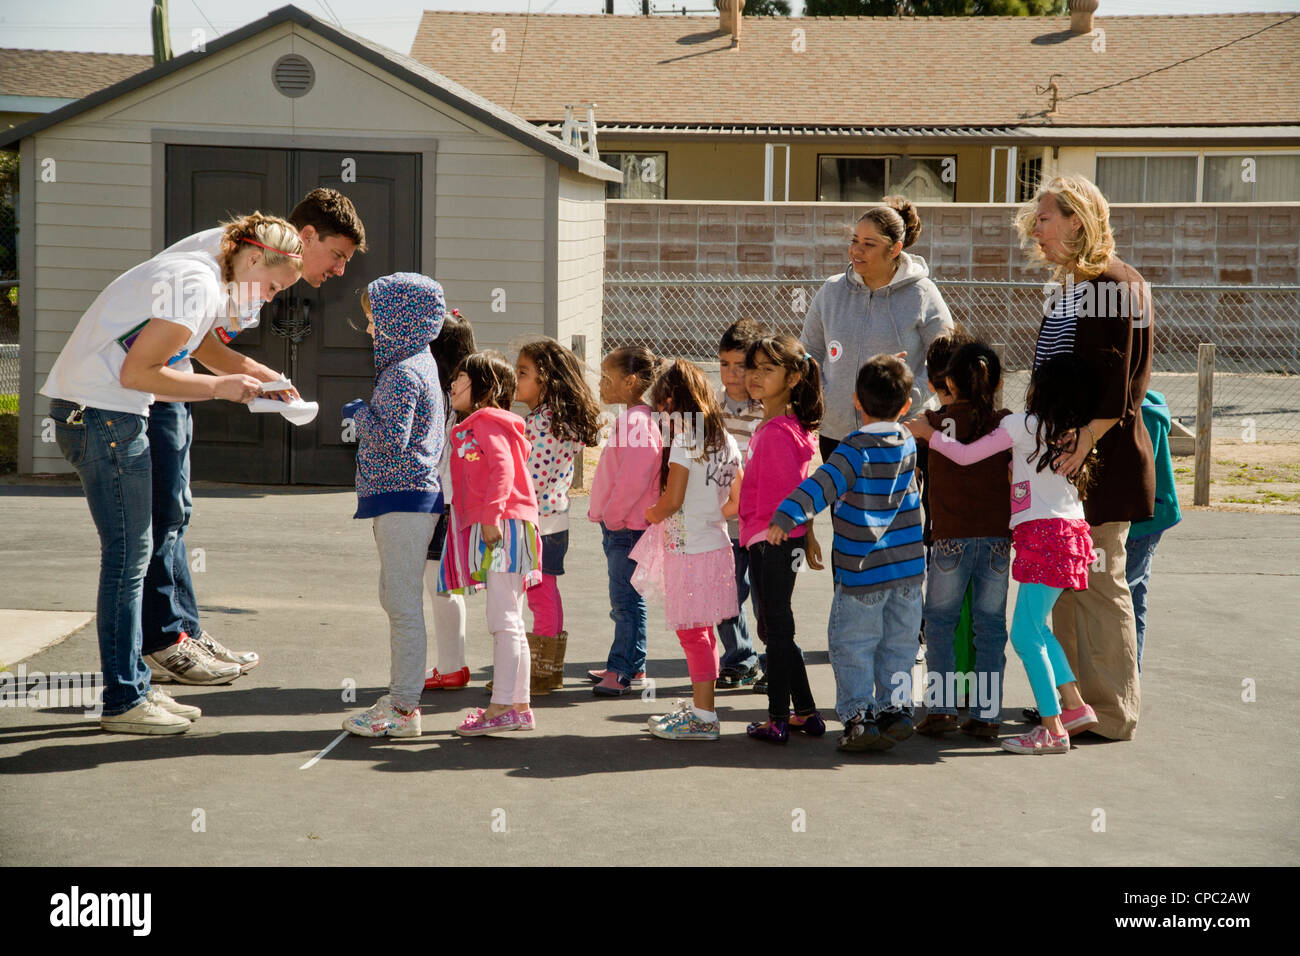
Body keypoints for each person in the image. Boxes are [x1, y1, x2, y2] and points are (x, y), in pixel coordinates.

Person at [41, 214, 301, 733]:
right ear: (252, 259)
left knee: (132, 555)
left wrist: (256, 375)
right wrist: (220, 387)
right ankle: (123, 701)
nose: (270, 298)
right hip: (103, 416)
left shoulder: (203, 274)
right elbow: (138, 372)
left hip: (104, 413)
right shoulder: (198, 283)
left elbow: (191, 346)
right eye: (273, 286)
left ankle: (134, 687)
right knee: (128, 559)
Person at [144, 188, 368, 684]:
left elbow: (208, 347)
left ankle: (182, 633)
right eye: (337, 255)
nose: (339, 271)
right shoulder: (232, 262)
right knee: (160, 519)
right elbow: (191, 349)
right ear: (305, 237)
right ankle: (160, 642)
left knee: (176, 513)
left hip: (172, 391)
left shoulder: (264, 272)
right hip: (147, 392)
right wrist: (248, 382)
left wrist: (272, 382)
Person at [1016, 174, 1154, 740]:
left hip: (1101, 465)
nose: (1037, 232)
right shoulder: (1075, 286)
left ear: (1077, 219)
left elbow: (1121, 385)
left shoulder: (1114, 283)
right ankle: (1070, 701)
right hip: (1064, 466)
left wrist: (1085, 440)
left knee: (1099, 584)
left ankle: (1113, 712)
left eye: (1044, 220)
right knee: (1064, 586)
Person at [909, 354, 1103, 754]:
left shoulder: (1018, 425)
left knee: (1024, 634)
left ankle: (1052, 731)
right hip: (1070, 534)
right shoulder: (1067, 432)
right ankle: (1074, 706)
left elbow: (964, 455)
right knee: (1037, 628)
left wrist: (929, 435)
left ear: (1039, 389)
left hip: (1042, 536)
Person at [769, 354, 925, 752]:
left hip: (863, 569)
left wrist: (786, 517)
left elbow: (822, 485)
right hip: (907, 570)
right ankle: (895, 709)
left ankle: (859, 717)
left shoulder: (855, 448)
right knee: (899, 643)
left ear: (856, 400)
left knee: (852, 643)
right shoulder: (907, 440)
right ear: (907, 405)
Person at [340, 274, 447, 738]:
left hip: (404, 502)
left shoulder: (402, 371)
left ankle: (403, 709)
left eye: (374, 319)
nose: (370, 329)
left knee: (402, 604)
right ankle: (402, 700)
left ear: (398, 318)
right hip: (409, 500)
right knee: (397, 598)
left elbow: (389, 439)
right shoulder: (416, 362)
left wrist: (357, 413)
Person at [801, 196, 953, 463]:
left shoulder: (923, 293)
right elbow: (809, 352)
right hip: (837, 434)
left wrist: (908, 395)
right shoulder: (832, 291)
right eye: (854, 241)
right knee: (843, 506)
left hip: (900, 431)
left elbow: (946, 358)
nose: (856, 251)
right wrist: (824, 396)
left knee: (896, 505)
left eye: (869, 244)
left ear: (894, 249)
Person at [635, 360, 742, 742]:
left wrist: (652, 512)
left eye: (663, 406)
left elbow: (672, 499)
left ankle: (703, 718)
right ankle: (703, 709)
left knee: (693, 635)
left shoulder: (684, 442)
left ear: (675, 402)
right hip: (715, 546)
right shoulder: (725, 440)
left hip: (689, 553)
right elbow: (737, 500)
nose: (661, 415)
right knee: (704, 634)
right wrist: (712, 513)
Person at [439, 353, 543, 736]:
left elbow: (502, 469)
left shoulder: (486, 422)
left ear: (487, 388)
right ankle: (518, 706)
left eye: (462, 378)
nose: (453, 384)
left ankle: (501, 707)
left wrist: (490, 516)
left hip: (504, 526)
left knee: (503, 622)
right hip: (511, 525)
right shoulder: (487, 424)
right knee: (510, 619)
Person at [914, 340, 1012, 739]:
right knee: (989, 627)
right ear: (997, 380)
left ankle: (941, 709)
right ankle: (987, 714)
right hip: (996, 539)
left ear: (948, 381)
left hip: (950, 537)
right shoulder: (1005, 421)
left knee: (939, 623)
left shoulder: (932, 423)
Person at [737, 335, 826, 745]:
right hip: (775, 539)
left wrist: (791, 535)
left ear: (792, 378)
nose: (755, 376)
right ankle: (805, 713)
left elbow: (790, 493)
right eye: (752, 367)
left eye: (767, 369)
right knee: (778, 627)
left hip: (770, 540)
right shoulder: (780, 427)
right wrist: (804, 535)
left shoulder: (776, 433)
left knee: (776, 628)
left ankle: (776, 720)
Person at [514, 338, 603, 693]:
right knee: (541, 592)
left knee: (540, 594)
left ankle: (542, 671)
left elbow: (528, 480)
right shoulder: (549, 419)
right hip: (548, 521)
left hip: (538, 522)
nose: (515, 378)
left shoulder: (541, 425)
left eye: (523, 373)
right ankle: (541, 668)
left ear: (546, 381)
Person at [587, 347, 664, 697]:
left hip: (627, 529)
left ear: (630, 381)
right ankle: (632, 663)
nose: (601, 383)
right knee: (627, 599)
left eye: (607, 376)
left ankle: (622, 670)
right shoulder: (635, 418)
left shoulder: (636, 422)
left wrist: (614, 517)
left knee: (625, 602)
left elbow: (634, 476)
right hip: (624, 527)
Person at [422, 311, 476, 691]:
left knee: (438, 584)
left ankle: (451, 665)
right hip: (454, 502)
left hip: (443, 502)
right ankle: (452, 663)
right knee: (445, 584)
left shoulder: (446, 398)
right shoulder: (466, 395)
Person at [714, 318, 767, 691]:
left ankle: (775, 661)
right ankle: (740, 659)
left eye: (740, 365)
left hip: (762, 521)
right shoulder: (711, 406)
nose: (732, 374)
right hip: (724, 521)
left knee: (767, 597)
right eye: (724, 364)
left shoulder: (767, 409)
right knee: (726, 592)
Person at [1126, 390, 1182, 673]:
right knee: (1134, 596)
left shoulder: (1139, 412)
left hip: (1141, 519)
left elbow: (1138, 473)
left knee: (1123, 595)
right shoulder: (1151, 402)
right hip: (1153, 514)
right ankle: (1131, 676)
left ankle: (1124, 678)